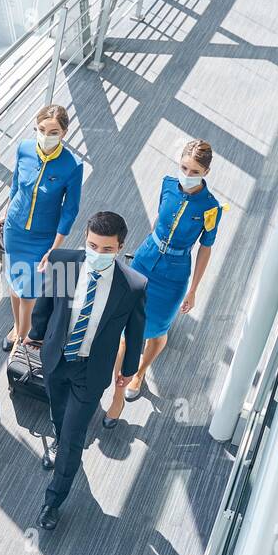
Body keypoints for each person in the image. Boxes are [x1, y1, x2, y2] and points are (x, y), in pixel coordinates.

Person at [25, 211, 147, 531]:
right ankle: (59, 439)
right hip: (56, 358)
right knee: (58, 413)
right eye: (93, 246)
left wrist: (130, 369)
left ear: (119, 247)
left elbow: (135, 332)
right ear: (85, 240)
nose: (98, 254)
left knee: (74, 436)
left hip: (90, 371)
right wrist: (36, 334)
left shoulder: (132, 285)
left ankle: (54, 499)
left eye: (106, 249)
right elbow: (48, 304)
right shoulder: (65, 263)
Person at [103, 139, 224, 426]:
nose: (187, 174)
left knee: (156, 331)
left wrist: (193, 290)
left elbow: (206, 248)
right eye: (184, 167)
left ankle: (140, 372)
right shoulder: (167, 184)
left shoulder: (211, 208)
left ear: (206, 172)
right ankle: (117, 387)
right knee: (128, 324)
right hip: (146, 258)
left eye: (194, 170)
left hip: (174, 273)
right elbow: (159, 217)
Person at [0, 104, 84, 352]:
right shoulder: (24, 149)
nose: (46, 135)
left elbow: (70, 210)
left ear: (64, 132)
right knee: (14, 284)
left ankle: (23, 339)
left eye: (53, 131)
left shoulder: (72, 165)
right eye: (42, 129)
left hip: (44, 238)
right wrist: (5, 214)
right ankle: (17, 327)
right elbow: (15, 185)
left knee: (28, 293)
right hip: (15, 230)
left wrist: (55, 248)